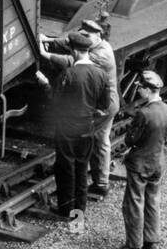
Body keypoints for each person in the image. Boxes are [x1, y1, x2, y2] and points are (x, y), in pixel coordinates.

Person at [35, 31, 111, 218]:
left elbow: (54, 99)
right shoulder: (101, 74)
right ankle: (79, 212)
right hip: (87, 128)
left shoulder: (68, 74)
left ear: (74, 51)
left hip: (67, 129)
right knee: (82, 169)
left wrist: (45, 83)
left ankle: (66, 210)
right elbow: (104, 105)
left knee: (66, 169)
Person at [111, 70, 167, 249]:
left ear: (148, 90)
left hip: (140, 165)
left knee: (134, 203)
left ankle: (133, 247)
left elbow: (130, 139)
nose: (138, 91)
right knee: (153, 201)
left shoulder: (144, 114)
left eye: (141, 88)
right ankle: (151, 243)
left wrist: (128, 147)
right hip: (157, 162)